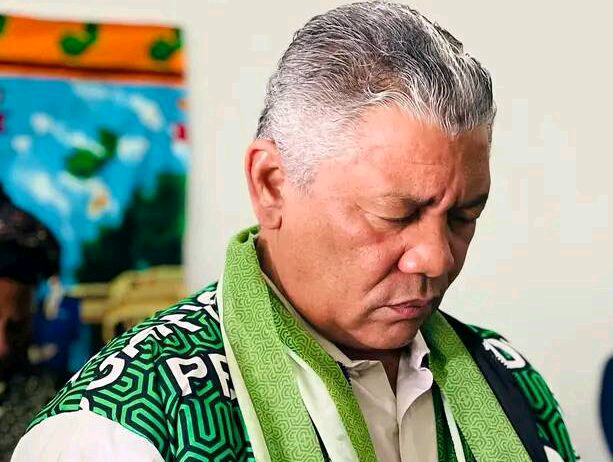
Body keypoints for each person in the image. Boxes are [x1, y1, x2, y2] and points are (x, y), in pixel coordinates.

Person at [12, 2, 579, 461]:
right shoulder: (118, 431)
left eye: (463, 217)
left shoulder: (509, 381)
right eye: (396, 214)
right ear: (272, 184)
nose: (435, 258)